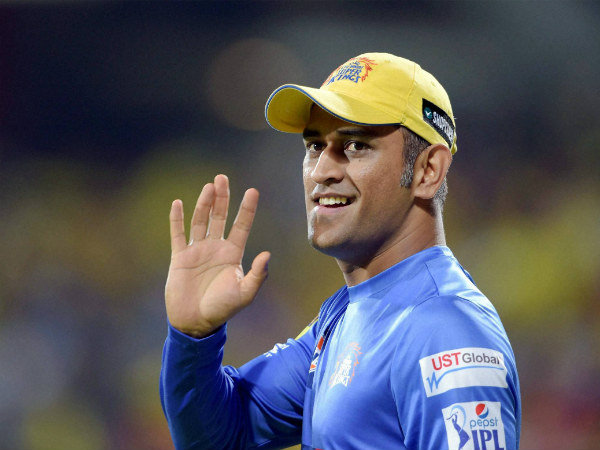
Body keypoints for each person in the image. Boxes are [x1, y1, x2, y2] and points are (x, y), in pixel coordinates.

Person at [160, 52, 521, 450]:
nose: (321, 171)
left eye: (355, 145)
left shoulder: (445, 331)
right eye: (315, 145)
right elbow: (219, 437)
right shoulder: (345, 315)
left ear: (427, 171)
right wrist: (194, 339)